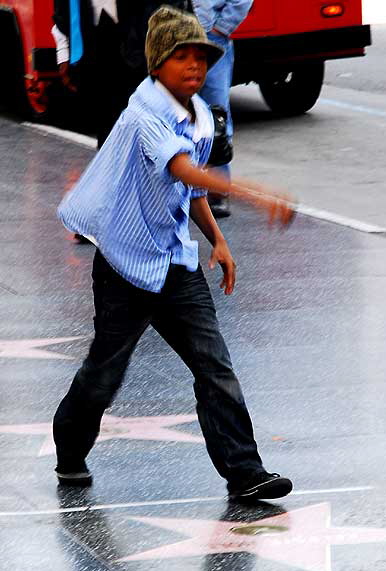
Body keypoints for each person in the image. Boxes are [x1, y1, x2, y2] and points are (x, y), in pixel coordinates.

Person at [52, 6, 294, 502]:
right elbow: (184, 170)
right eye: (182, 57)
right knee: (104, 375)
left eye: (202, 59)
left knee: (214, 365)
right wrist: (255, 192)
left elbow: (190, 192)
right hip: (125, 265)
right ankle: (70, 451)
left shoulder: (199, 114)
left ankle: (245, 472)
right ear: (157, 63)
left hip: (174, 262)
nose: (195, 67)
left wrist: (218, 240)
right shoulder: (143, 113)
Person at [196, 0, 254, 218]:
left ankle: (217, 191)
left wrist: (222, 27)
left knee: (216, 114)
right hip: (179, 32)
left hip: (213, 37)